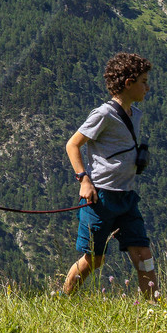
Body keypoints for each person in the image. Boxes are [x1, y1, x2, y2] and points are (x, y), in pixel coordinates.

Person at [62, 52, 156, 298]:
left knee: (143, 256)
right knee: (94, 259)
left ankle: (156, 309)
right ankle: (63, 301)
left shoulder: (135, 115)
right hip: (100, 198)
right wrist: (84, 180)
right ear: (128, 84)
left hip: (126, 197)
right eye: (143, 81)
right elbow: (73, 144)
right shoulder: (103, 114)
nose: (147, 87)